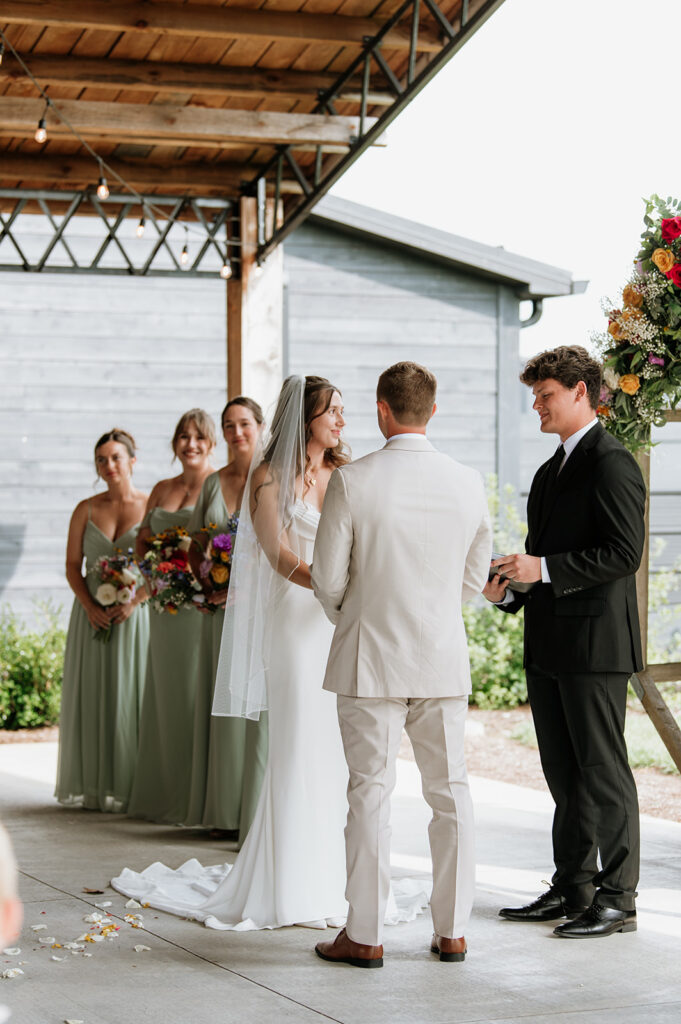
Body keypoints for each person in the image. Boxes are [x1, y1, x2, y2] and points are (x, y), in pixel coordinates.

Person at [112, 376, 429, 930]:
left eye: (344, 413)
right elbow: (276, 552)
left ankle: (338, 880)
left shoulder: (343, 475)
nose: (342, 422)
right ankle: (286, 886)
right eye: (333, 411)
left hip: (338, 625)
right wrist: (332, 587)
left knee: (336, 753)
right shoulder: (269, 477)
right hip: (295, 624)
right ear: (306, 417)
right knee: (297, 745)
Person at [312, 361, 493, 969]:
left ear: (382, 410)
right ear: (432, 411)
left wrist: (354, 614)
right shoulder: (469, 482)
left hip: (370, 660)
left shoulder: (352, 481)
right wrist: (434, 613)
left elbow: (327, 579)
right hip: (441, 658)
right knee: (451, 794)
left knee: (370, 794)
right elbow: (473, 580)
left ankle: (363, 934)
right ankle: (454, 931)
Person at [484, 345, 645, 939]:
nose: (536, 406)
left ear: (582, 392)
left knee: (604, 774)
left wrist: (543, 569)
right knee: (562, 775)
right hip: (549, 645)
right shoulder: (549, 472)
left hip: (596, 648)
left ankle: (619, 900)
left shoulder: (612, 462)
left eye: (545, 394)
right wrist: (506, 590)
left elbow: (624, 554)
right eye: (535, 395)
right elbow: (542, 564)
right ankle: (573, 886)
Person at [183, 396, 268, 842]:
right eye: (229, 426)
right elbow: (197, 545)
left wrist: (247, 586)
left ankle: (253, 809)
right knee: (221, 703)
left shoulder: (271, 476)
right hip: (219, 610)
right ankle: (222, 808)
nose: (237, 433)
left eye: (244, 424)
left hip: (257, 611)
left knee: (251, 702)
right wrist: (206, 585)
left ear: (260, 426)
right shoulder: (214, 482)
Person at [127, 409, 216, 824]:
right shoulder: (162, 488)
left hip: (198, 607)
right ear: (174, 444)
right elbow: (142, 539)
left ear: (211, 442)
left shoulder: (216, 485)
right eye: (183, 437)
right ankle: (163, 793)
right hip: (164, 606)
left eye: (199, 437)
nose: (191, 444)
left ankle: (193, 797)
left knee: (194, 696)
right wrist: (154, 575)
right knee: (165, 696)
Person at [56, 429, 149, 811]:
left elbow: (162, 564)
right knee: (94, 695)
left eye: (115, 457)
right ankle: (96, 782)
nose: (109, 466)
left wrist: (136, 600)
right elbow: (71, 566)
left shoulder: (149, 505)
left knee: (133, 697)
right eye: (101, 460)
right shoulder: (86, 509)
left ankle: (133, 785)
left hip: (135, 617)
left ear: (132, 460)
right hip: (91, 618)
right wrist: (90, 605)